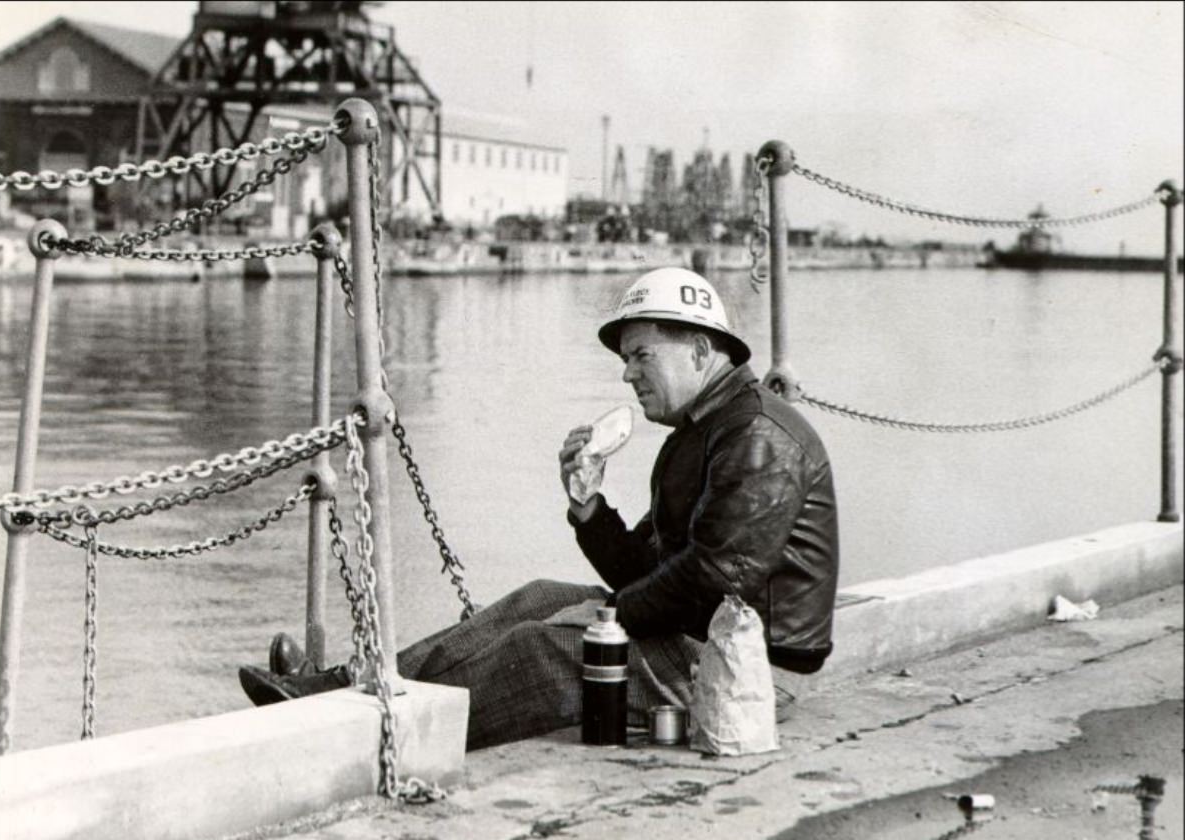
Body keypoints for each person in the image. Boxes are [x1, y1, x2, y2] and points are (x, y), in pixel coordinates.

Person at [239, 266, 839, 750]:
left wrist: (608, 617)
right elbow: (651, 574)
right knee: (539, 598)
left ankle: (372, 733)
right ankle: (351, 685)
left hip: (751, 672)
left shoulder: (757, 436)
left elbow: (716, 577)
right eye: (626, 360)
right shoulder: (701, 434)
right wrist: (587, 506)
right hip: (701, 639)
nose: (627, 374)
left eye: (641, 356)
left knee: (546, 647)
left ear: (701, 350)